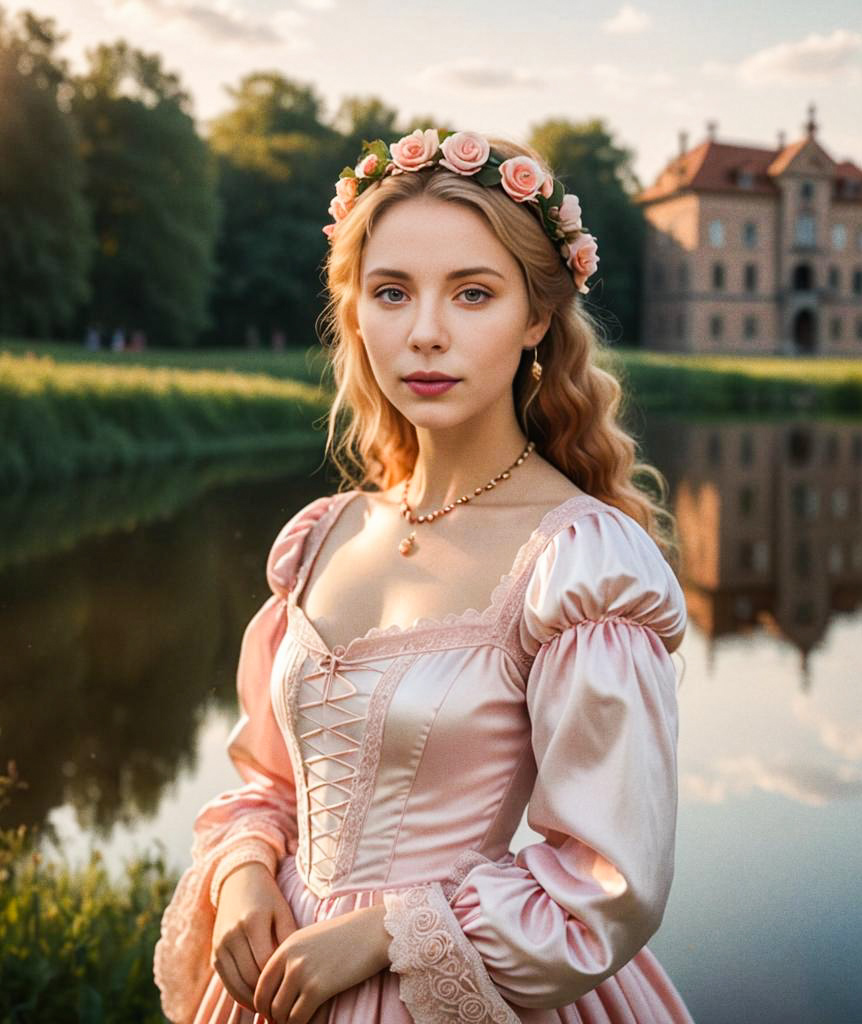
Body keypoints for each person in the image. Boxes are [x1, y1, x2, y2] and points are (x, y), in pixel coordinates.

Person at [153, 128, 693, 1024]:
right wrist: (247, 870)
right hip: (276, 980)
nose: (426, 333)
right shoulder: (323, 535)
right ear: (355, 312)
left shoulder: (579, 565)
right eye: (392, 292)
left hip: (447, 985)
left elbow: (606, 879)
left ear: (534, 320)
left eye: (472, 293)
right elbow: (271, 780)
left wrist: (381, 935)